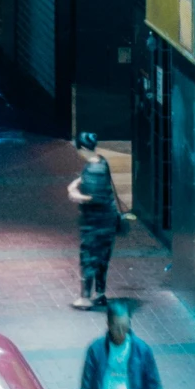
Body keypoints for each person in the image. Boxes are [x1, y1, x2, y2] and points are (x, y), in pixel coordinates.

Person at [68, 131, 127, 308]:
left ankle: (85, 298)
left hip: (95, 223)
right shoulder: (101, 161)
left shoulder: (93, 168)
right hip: (108, 221)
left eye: (79, 148)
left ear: (84, 148)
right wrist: (78, 182)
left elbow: (93, 197)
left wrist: (74, 193)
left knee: (88, 257)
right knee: (102, 259)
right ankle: (100, 293)